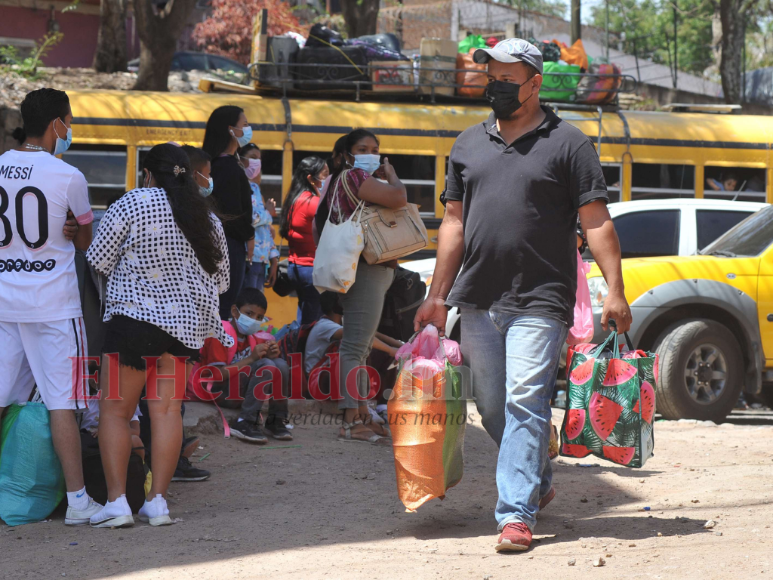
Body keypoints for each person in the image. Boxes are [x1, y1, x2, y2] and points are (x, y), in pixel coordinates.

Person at [413, 39, 631, 552]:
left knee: (524, 402)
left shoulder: (570, 143)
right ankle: (539, 474)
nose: (496, 87)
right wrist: (436, 294)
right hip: (478, 297)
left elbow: (596, 221)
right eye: (491, 77)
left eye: (507, 79)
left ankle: (515, 514)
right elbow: (453, 222)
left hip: (542, 296)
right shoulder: (467, 144)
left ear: (535, 83)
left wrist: (615, 292)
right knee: (490, 404)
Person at [86, 143, 231, 528]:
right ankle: (158, 503)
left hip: (134, 324)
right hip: (185, 332)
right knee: (166, 412)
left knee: (115, 413)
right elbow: (223, 281)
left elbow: (97, 258)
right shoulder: (208, 218)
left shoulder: (133, 203)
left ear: (148, 173)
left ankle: (117, 503)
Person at [0, 88, 103, 526]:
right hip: (54, 305)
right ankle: (78, 502)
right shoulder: (68, 176)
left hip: (5, 300)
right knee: (63, 401)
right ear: (57, 124)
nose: (71, 129)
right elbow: (84, 240)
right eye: (70, 121)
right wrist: (73, 230)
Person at [324, 129, 407, 443]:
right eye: (363, 148)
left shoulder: (355, 180)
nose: (370, 153)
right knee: (355, 347)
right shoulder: (354, 177)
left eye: (375, 148)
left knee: (359, 348)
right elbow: (399, 198)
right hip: (365, 269)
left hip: (371, 268)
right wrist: (394, 176)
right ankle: (350, 420)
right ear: (348, 154)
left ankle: (360, 413)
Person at [198, 287, 293, 444]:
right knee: (267, 364)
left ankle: (276, 420)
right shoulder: (220, 334)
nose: (254, 320)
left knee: (280, 364)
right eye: (249, 314)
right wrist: (252, 358)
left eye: (259, 317)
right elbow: (217, 375)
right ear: (235, 312)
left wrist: (270, 355)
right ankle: (245, 422)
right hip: (218, 392)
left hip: (239, 391)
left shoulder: (254, 338)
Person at [202, 105, 255, 319]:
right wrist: (249, 235)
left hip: (219, 243)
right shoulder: (228, 167)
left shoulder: (215, 164)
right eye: (245, 125)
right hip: (230, 245)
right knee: (225, 305)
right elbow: (232, 213)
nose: (249, 129)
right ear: (231, 130)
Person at [280, 156, 329, 324]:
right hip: (311, 269)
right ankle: (303, 350)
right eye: (325, 175)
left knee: (304, 319)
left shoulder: (294, 199)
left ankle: (297, 347)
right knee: (313, 323)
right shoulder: (313, 202)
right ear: (311, 178)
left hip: (295, 267)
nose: (328, 179)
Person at [239, 143, 279, 290]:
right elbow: (249, 219)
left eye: (259, 159)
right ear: (240, 160)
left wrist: (273, 256)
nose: (257, 163)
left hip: (261, 260)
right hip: (247, 258)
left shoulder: (255, 188)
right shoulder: (238, 186)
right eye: (252, 158)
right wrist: (268, 213)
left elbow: (265, 229)